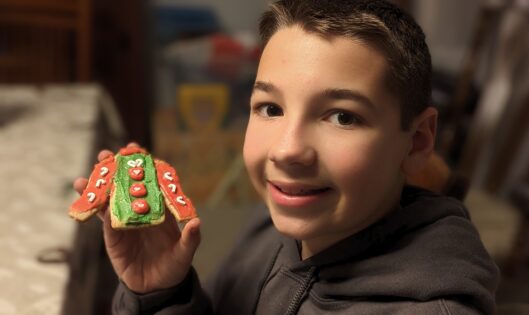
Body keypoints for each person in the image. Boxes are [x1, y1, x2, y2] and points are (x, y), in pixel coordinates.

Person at [74, 0, 499, 314]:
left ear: (419, 140)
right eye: (271, 108)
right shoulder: (275, 220)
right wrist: (163, 293)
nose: (287, 150)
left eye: (343, 116)